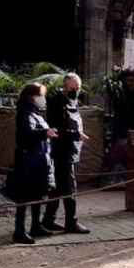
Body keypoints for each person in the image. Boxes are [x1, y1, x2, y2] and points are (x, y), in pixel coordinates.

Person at [42, 73, 91, 235]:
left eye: (78, 88)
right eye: (72, 88)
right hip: (61, 151)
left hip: (70, 150)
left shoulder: (72, 100)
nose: (76, 91)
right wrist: (76, 135)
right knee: (70, 188)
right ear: (65, 86)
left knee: (57, 188)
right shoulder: (56, 101)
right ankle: (71, 222)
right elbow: (56, 128)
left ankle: (48, 220)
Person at [8, 82, 57, 245]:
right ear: (32, 96)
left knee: (38, 195)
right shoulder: (24, 113)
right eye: (40, 95)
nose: (42, 99)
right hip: (28, 162)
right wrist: (45, 132)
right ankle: (19, 231)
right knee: (24, 197)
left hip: (40, 160)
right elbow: (26, 135)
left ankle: (36, 226)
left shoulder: (35, 113)